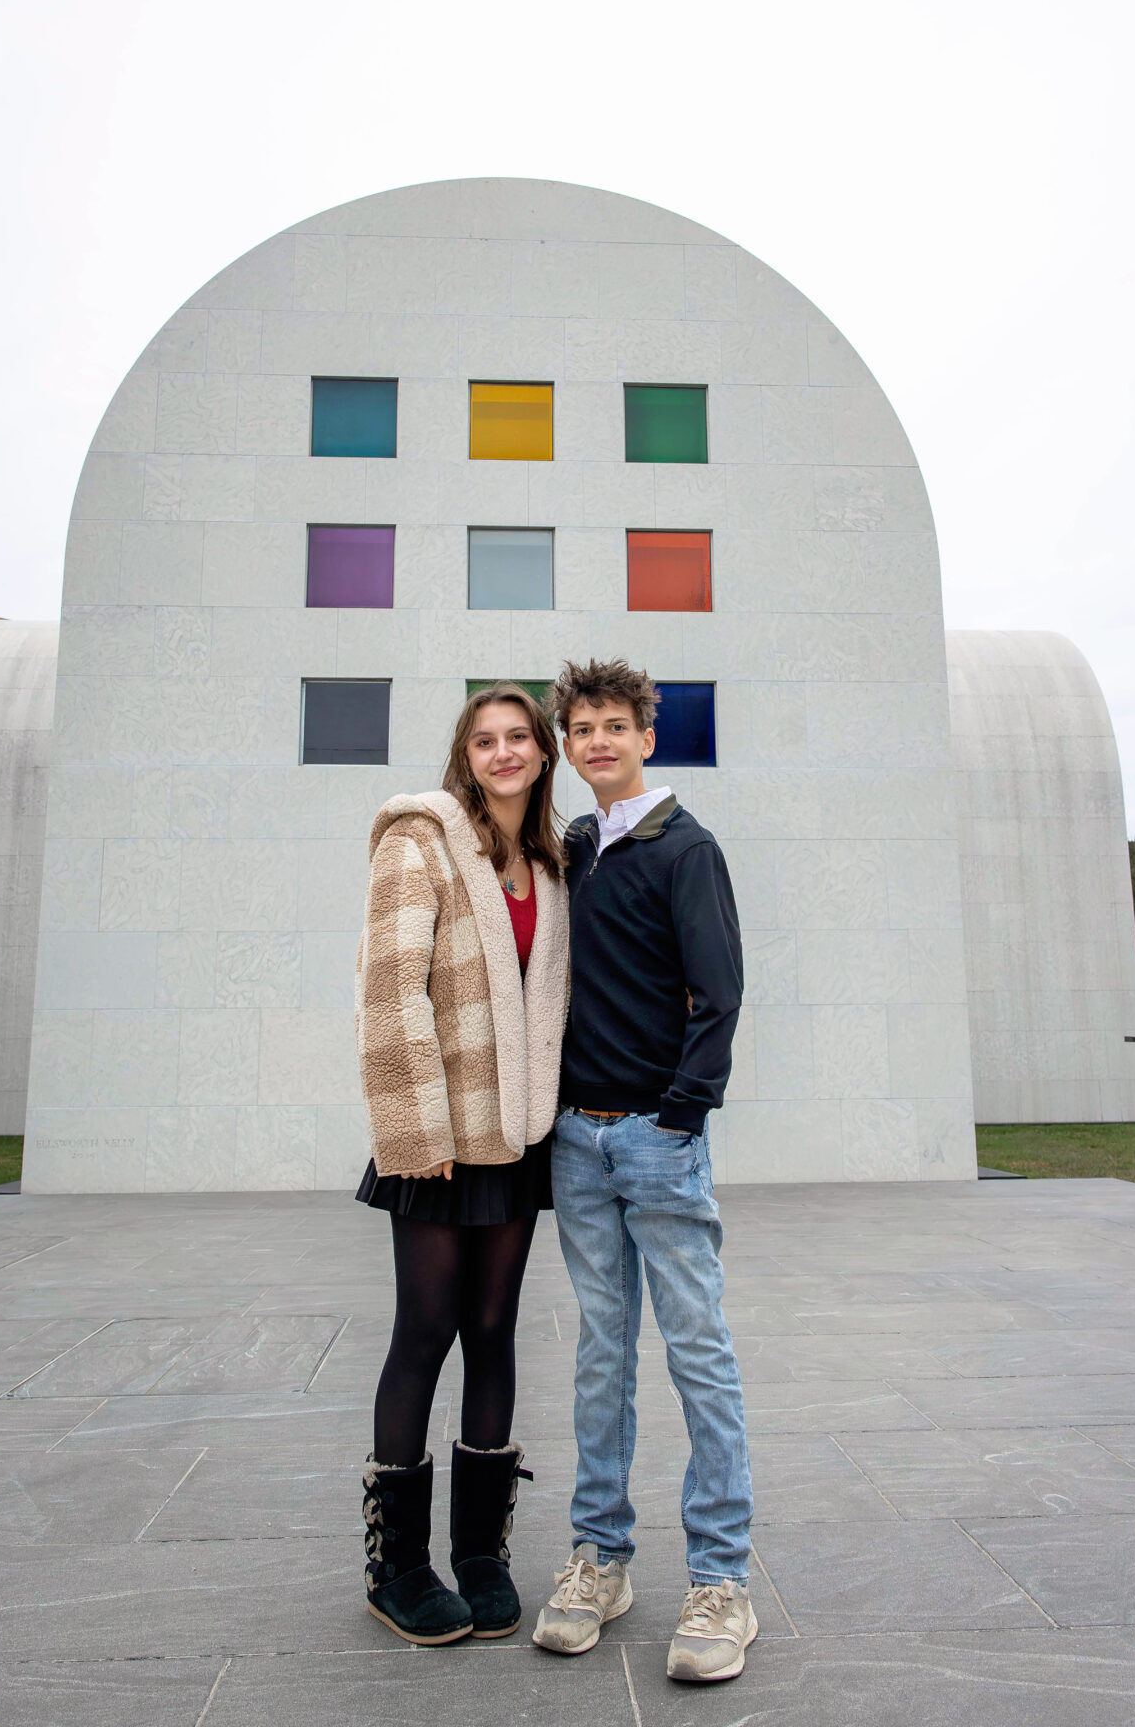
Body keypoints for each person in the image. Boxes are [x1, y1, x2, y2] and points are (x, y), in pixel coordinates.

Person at [531, 657, 756, 1684]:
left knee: (696, 1351)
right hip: (576, 1142)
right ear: (567, 746)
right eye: (581, 729)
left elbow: (718, 993)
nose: (598, 742)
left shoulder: (684, 848)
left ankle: (720, 1582)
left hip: (658, 1142)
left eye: (615, 725)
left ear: (643, 738)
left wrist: (680, 1115)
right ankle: (599, 1560)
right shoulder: (575, 849)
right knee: (599, 1356)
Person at [354, 683, 569, 1646]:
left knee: (493, 1328)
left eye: (520, 737)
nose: (504, 752)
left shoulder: (550, 864)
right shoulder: (422, 840)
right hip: (438, 1139)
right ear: (464, 754)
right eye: (486, 739)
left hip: (514, 1136)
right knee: (426, 1328)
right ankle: (397, 1567)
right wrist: (416, 1130)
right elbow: (390, 986)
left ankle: (479, 1552)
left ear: (543, 751)